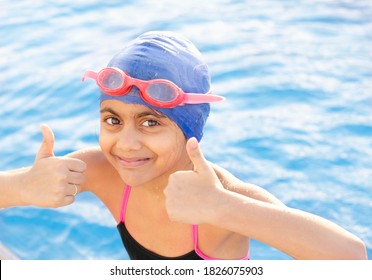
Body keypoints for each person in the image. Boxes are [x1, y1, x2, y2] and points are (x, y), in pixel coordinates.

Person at [0, 31, 367, 260]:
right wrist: (21, 187)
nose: (126, 144)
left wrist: (223, 208)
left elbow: (350, 259)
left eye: (151, 122)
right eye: (113, 120)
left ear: (190, 128)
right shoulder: (101, 170)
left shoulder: (226, 197)